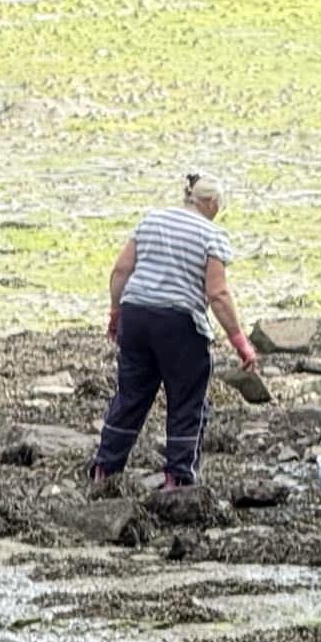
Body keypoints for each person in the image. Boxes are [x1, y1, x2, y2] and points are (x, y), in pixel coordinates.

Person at [89, 171, 259, 494]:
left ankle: (104, 470)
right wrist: (241, 343)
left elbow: (121, 270)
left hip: (137, 316)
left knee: (131, 395)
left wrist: (116, 313)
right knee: (186, 400)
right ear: (210, 203)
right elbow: (218, 294)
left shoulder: (151, 220)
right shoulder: (213, 235)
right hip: (180, 323)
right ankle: (178, 478)